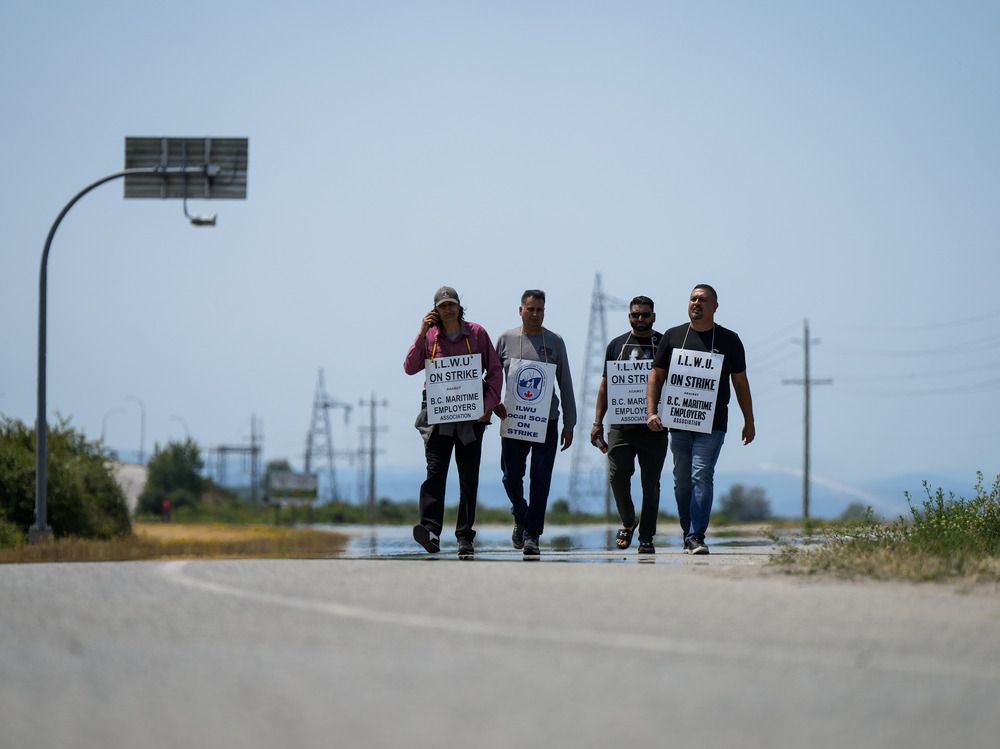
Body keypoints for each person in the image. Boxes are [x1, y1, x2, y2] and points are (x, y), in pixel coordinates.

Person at [646, 284, 755, 554]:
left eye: (703, 300)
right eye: (693, 298)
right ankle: (688, 532)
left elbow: (740, 382)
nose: (696, 303)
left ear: (715, 306)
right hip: (678, 421)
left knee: (701, 474)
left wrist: (749, 420)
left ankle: (697, 535)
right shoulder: (672, 336)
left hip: (713, 423)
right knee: (681, 479)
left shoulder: (729, 339)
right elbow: (656, 376)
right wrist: (651, 411)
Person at [404, 286, 504, 557]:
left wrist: (489, 404)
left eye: (452, 304)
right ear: (435, 310)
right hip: (438, 418)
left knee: (468, 477)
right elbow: (410, 367)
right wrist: (421, 331)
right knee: (435, 473)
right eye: (442, 305)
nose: (447, 309)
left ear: (460, 307)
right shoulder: (430, 337)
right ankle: (430, 531)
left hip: (472, 417)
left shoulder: (478, 333)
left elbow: (494, 371)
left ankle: (464, 536)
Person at [495, 289, 576, 558]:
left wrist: (569, 423)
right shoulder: (506, 339)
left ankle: (533, 535)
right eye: (530, 309)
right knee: (510, 476)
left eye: (540, 309)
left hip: (547, 421)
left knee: (541, 479)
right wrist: (492, 404)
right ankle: (520, 512)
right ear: (521, 310)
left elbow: (565, 383)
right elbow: (493, 377)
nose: (535, 314)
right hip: (513, 419)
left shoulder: (554, 342)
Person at [590, 296, 667, 554]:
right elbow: (605, 386)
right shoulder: (616, 345)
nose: (641, 319)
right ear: (629, 316)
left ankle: (646, 537)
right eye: (636, 315)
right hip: (621, 426)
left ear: (654, 316)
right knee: (617, 476)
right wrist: (597, 422)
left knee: (651, 484)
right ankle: (627, 520)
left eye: (645, 314)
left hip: (654, 428)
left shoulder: (665, 343)